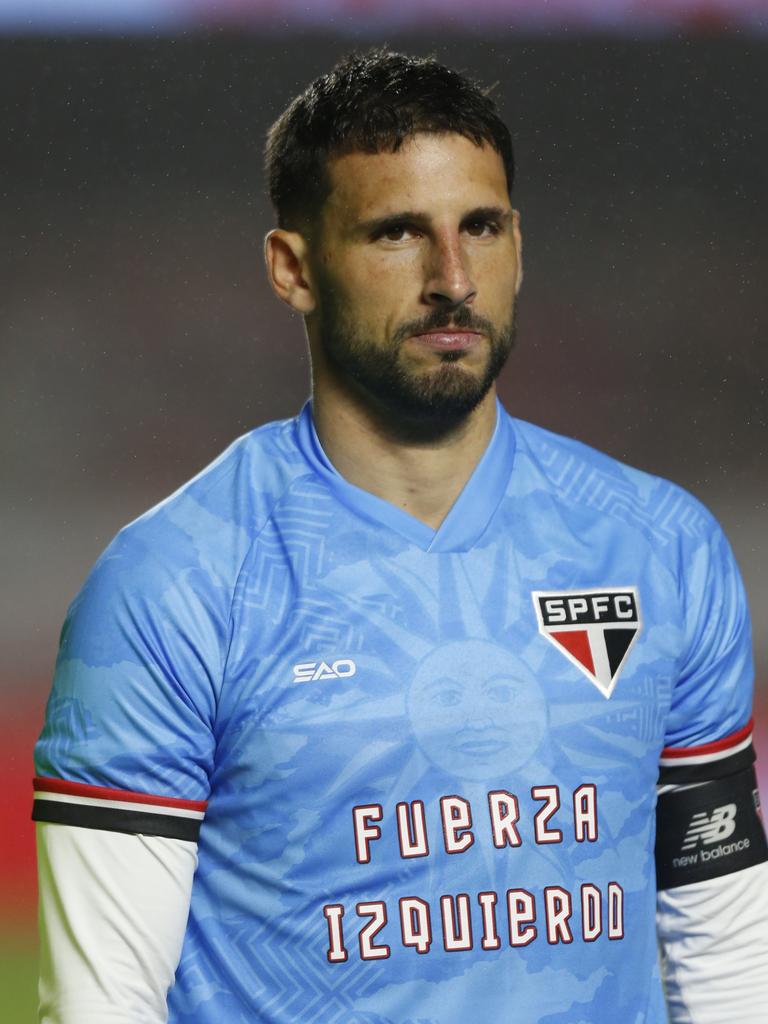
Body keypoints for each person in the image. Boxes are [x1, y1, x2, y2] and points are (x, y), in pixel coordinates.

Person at [32, 47, 768, 1024]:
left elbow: (725, 955)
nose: (452, 277)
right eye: (396, 233)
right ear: (293, 268)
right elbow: (97, 1003)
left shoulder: (662, 548)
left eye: (482, 227)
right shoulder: (173, 584)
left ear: (519, 243)